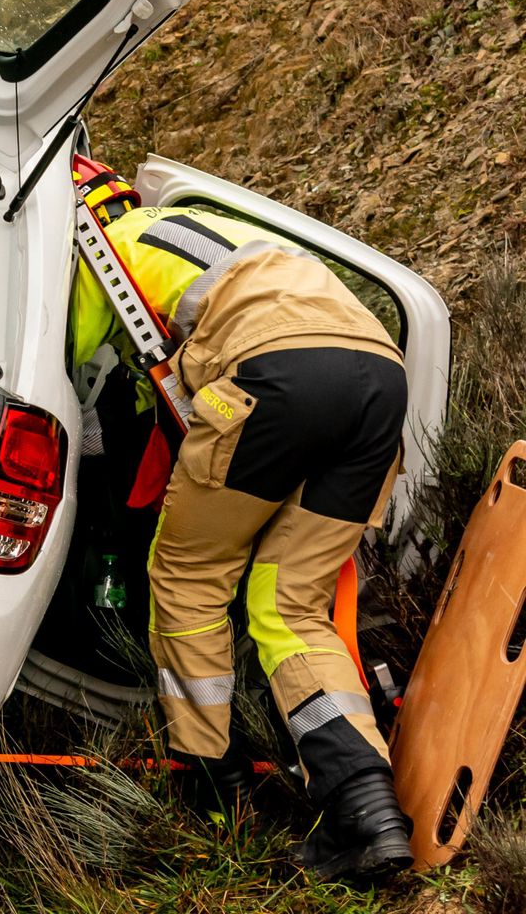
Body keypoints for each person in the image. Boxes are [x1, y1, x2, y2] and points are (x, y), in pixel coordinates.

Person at [67, 161, 413, 881]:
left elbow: (65, 363)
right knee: (290, 604)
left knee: (189, 575)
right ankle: (371, 817)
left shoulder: (101, 247)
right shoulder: (228, 233)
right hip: (379, 380)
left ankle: (213, 785)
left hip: (275, 374)